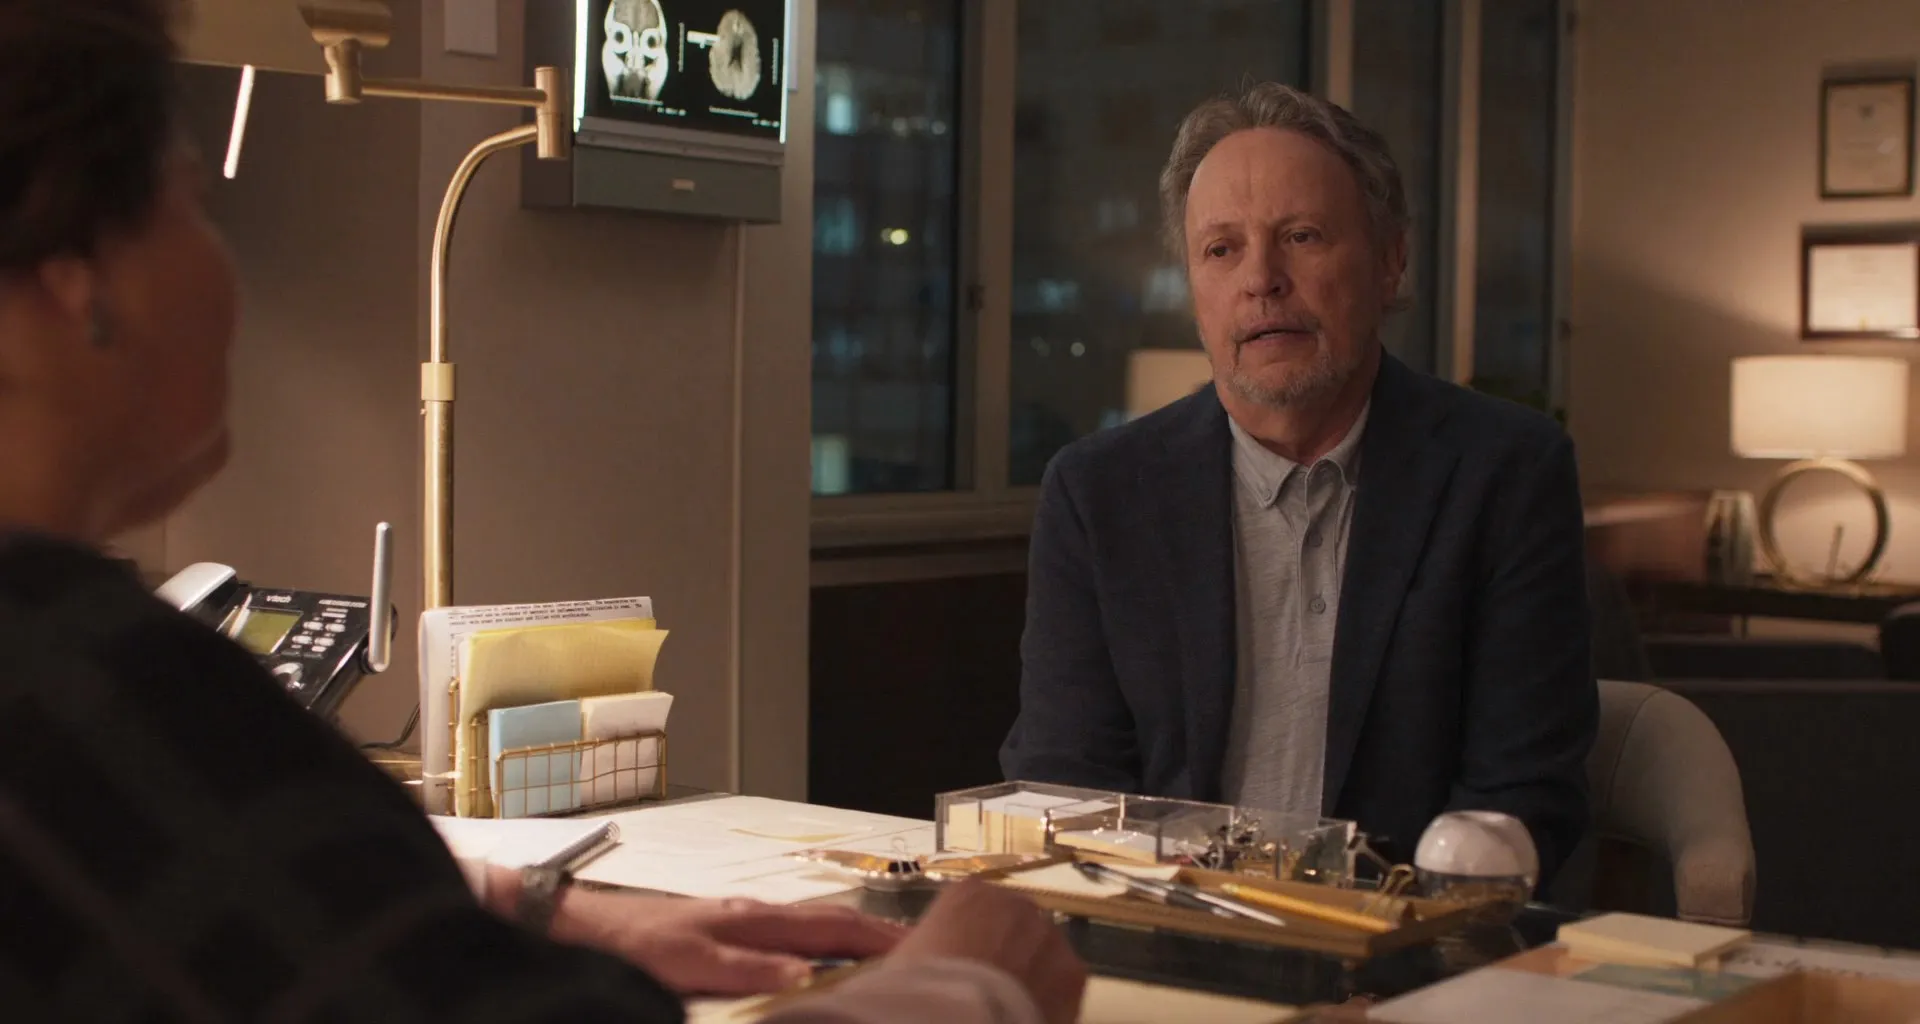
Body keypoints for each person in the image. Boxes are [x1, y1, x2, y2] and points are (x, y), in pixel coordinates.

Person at [0, 2, 1085, 1021]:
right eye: (192, 202)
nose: (221, 261)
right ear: (75, 274)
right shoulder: (109, 699)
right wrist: (968, 985)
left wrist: (537, 909)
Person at [999, 82, 1598, 885]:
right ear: (1193, 287)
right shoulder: (1098, 493)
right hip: (1165, 931)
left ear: (1390, 260)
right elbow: (1065, 782)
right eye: (1222, 250)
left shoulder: (1506, 472)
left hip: (1406, 938)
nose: (1262, 279)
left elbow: (1521, 791)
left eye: (1302, 236)